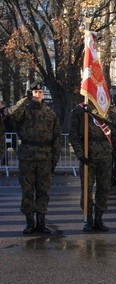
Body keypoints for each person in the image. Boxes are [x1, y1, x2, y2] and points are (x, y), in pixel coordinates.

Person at [8, 81, 61, 234]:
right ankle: (29, 222)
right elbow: (12, 113)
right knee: (27, 191)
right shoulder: (24, 111)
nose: (38, 94)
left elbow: (56, 137)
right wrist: (25, 99)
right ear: (31, 94)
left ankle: (41, 221)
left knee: (43, 191)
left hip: (45, 157)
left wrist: (55, 158)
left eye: (40, 92)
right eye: (35, 92)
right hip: (27, 157)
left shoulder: (50, 113)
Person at [69, 102, 113, 232]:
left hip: (105, 155)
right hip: (88, 155)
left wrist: (93, 111)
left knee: (103, 188)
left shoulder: (105, 109)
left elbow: (113, 125)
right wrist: (80, 154)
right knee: (87, 189)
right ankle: (88, 218)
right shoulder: (79, 110)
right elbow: (73, 134)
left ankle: (99, 218)